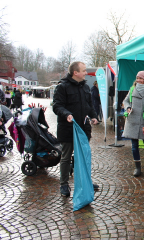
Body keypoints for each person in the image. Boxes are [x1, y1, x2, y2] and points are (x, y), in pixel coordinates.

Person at [52, 61, 99, 197]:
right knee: (66, 157)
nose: (86, 73)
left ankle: (85, 181)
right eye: (84, 71)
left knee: (83, 157)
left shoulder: (85, 87)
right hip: (67, 129)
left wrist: (94, 116)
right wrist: (66, 114)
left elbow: (89, 105)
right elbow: (57, 106)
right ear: (75, 73)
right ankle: (64, 184)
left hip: (83, 129)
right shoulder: (62, 87)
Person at [123, 71, 144, 177]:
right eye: (137, 78)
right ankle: (138, 168)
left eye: (141, 78)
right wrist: (127, 107)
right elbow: (126, 101)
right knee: (134, 146)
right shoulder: (132, 89)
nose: (138, 80)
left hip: (143, 122)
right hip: (132, 121)